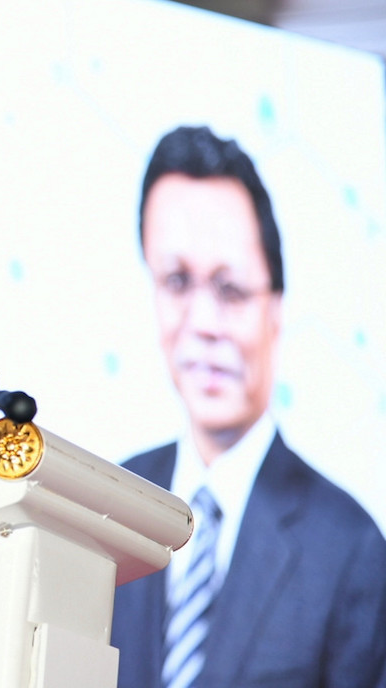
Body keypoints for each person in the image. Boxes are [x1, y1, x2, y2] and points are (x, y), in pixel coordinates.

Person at [110, 125, 386, 687]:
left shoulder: (351, 548)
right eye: (177, 281)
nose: (205, 324)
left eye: (231, 289)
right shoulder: (111, 506)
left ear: (275, 308)